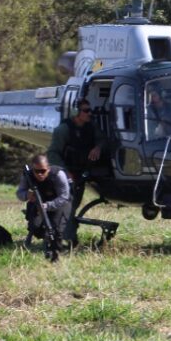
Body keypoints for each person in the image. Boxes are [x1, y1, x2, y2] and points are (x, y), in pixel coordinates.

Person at [47, 98, 108, 240]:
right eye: (86, 111)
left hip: (81, 173)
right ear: (77, 112)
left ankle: (65, 236)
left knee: (74, 204)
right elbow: (52, 153)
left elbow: (103, 139)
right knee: (68, 205)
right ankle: (65, 239)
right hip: (67, 173)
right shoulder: (63, 130)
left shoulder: (91, 126)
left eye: (90, 110)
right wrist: (65, 172)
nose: (89, 114)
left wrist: (98, 148)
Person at [16, 153, 71, 247]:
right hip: (39, 203)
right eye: (37, 171)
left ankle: (54, 241)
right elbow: (19, 193)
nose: (40, 174)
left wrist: (48, 206)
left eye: (43, 171)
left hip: (60, 203)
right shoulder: (28, 176)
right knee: (35, 227)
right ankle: (45, 237)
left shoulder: (58, 174)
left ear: (48, 168)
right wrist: (27, 195)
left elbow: (64, 196)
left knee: (57, 230)